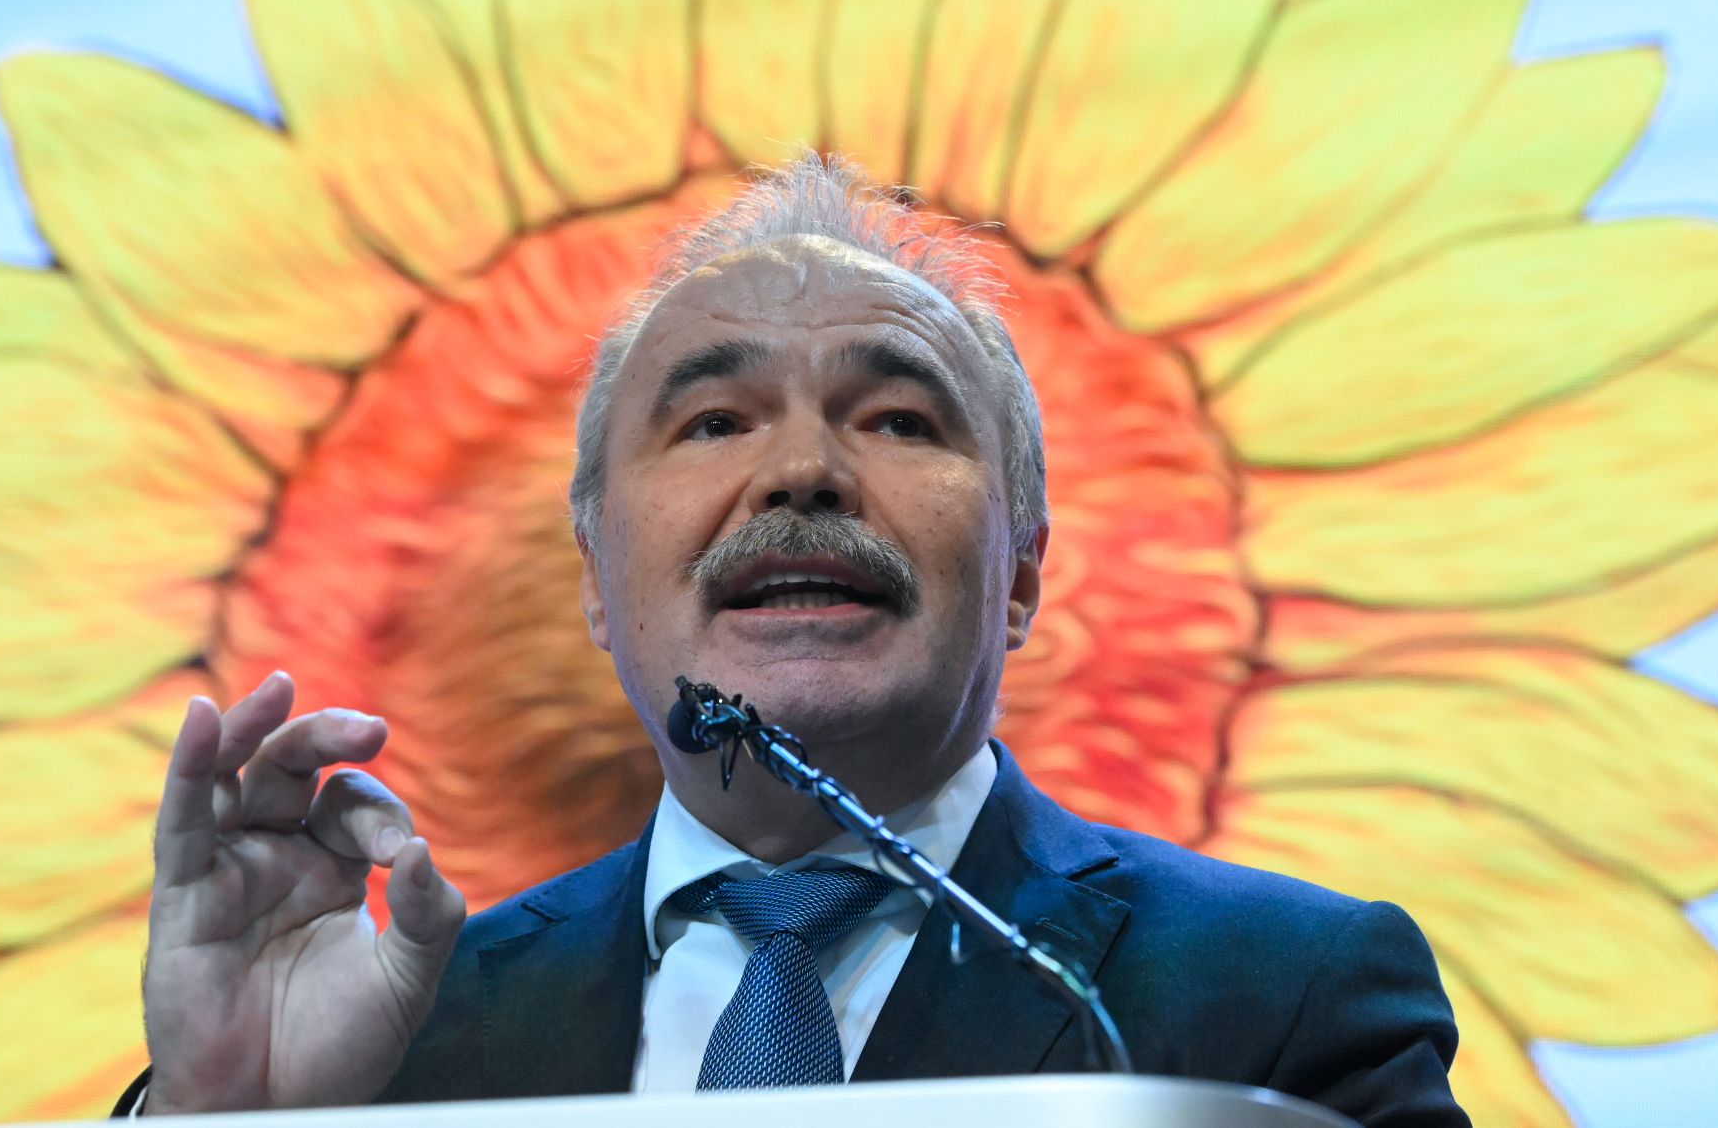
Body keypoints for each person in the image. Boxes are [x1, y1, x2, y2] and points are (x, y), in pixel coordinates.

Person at [119, 157, 1469, 1126]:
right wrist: (215, 1116)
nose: (804, 471)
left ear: (1018, 575)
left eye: (899, 420)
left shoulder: (1282, 997)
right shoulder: (404, 1040)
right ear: (597, 580)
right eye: (714, 423)